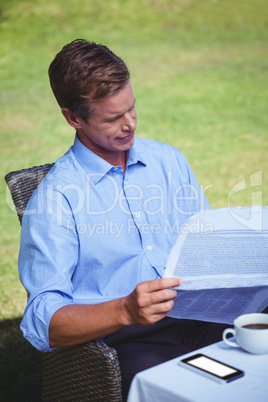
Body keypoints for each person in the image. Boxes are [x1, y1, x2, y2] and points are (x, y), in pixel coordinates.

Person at [19, 39, 228, 400]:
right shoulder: (55, 199)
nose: (129, 125)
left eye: (131, 108)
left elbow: (206, 242)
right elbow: (42, 321)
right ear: (73, 118)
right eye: (113, 118)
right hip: (130, 343)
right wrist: (125, 310)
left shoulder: (168, 160)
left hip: (204, 318)